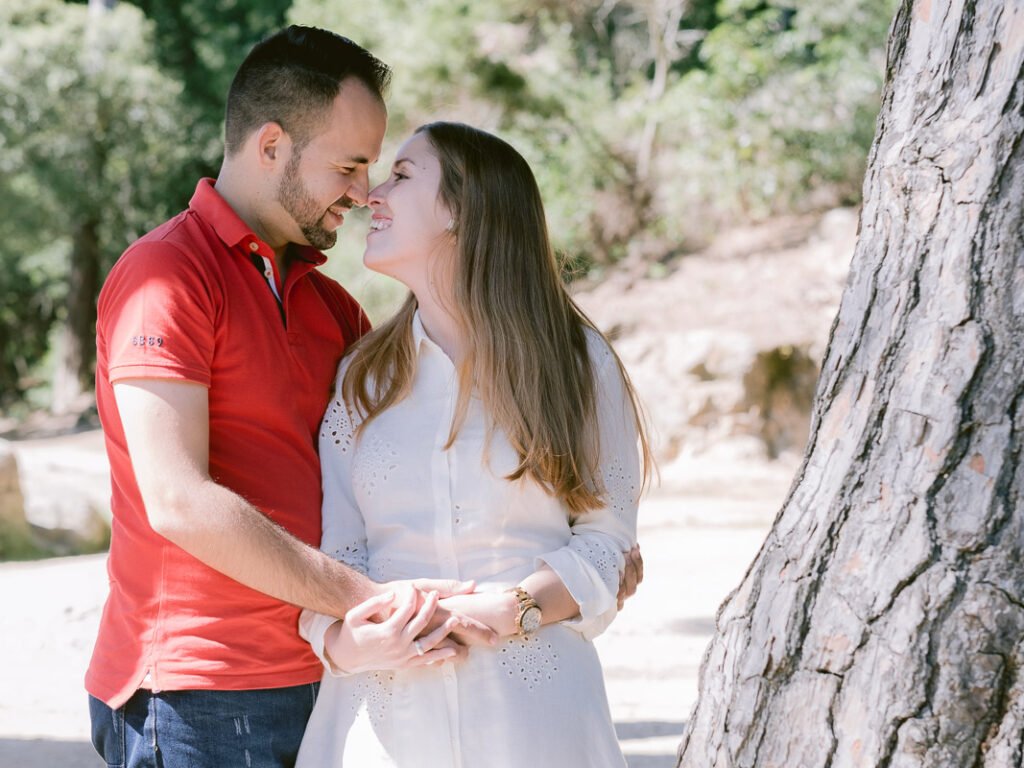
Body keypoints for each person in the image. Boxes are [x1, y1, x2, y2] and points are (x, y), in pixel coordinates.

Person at [85, 27, 497, 768]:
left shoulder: (334, 307)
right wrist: (367, 599)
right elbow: (177, 500)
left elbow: (413, 462)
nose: (364, 192)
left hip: (334, 668)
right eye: (348, 165)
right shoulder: (165, 276)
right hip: (199, 692)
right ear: (271, 145)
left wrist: (575, 547)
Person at [295, 122, 654, 767]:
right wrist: (345, 646)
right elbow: (337, 553)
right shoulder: (362, 379)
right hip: (382, 725)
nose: (373, 194)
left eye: (402, 175)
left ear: (462, 211)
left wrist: (511, 609)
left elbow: (607, 543)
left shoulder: (577, 362)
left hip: (539, 725)